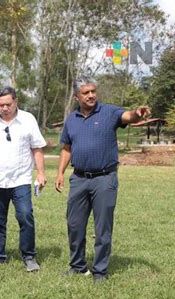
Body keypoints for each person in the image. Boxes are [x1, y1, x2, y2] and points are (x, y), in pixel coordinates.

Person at [55, 76, 150, 282]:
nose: (90, 95)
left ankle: (100, 271)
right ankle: (78, 266)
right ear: (76, 96)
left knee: (102, 227)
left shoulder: (108, 112)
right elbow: (67, 148)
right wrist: (60, 173)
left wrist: (137, 113)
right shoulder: (71, 119)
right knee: (74, 224)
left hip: (104, 179)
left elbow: (128, 116)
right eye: (85, 92)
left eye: (93, 91)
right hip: (79, 178)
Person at [0, 86, 47, 272]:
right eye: (0, 105)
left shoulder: (28, 120)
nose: (4, 108)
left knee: (25, 216)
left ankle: (29, 256)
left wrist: (40, 173)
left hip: (21, 179)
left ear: (16, 102)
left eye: (8, 104)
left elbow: (37, 148)